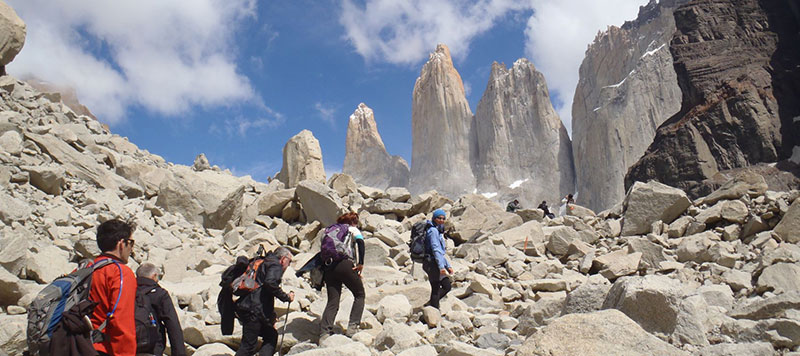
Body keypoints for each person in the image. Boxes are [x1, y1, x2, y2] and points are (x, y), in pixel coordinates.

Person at [90, 219, 138, 356]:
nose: (131, 249)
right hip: (102, 349)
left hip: (76, 345)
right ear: (121, 243)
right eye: (131, 243)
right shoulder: (120, 272)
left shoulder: (84, 268)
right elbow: (121, 320)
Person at [234, 246, 294, 356]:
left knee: (271, 335)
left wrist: (271, 315)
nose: (288, 265)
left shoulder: (264, 262)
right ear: (283, 259)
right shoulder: (276, 265)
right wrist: (286, 297)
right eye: (289, 261)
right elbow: (270, 283)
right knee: (248, 346)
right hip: (254, 310)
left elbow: (263, 290)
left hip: (248, 306)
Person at [320, 212, 366, 341]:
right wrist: (360, 263)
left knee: (333, 301)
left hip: (329, 267)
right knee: (359, 294)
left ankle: (324, 333)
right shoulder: (352, 229)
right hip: (345, 264)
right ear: (353, 222)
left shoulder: (328, 231)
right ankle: (352, 328)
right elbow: (360, 243)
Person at [135, 263, 187, 356]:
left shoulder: (127, 291)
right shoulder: (160, 294)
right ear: (154, 276)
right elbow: (173, 325)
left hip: (129, 347)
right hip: (153, 348)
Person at [423, 209, 453, 309]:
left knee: (446, 286)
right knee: (436, 288)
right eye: (439, 218)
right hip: (432, 263)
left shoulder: (437, 230)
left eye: (443, 218)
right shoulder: (433, 231)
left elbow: (441, 252)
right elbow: (436, 249)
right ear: (434, 218)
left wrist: (447, 266)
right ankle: (433, 312)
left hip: (436, 262)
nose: (441, 220)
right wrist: (441, 267)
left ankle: (431, 306)